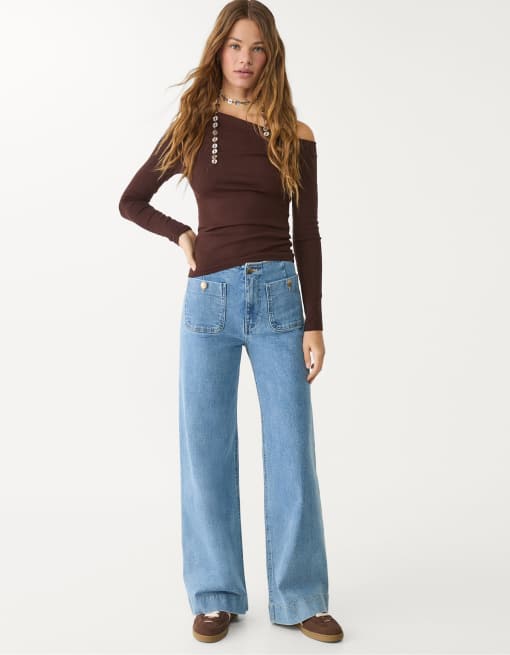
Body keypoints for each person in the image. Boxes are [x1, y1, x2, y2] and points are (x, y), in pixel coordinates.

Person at [118, 0, 343, 644]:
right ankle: (215, 594)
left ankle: (300, 597)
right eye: (236, 46)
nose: (246, 59)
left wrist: (315, 321)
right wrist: (181, 234)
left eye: (257, 48)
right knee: (206, 447)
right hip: (209, 300)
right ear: (219, 50)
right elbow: (132, 200)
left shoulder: (294, 133)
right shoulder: (193, 125)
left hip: (279, 299)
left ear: (271, 57)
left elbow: (308, 232)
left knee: (291, 449)